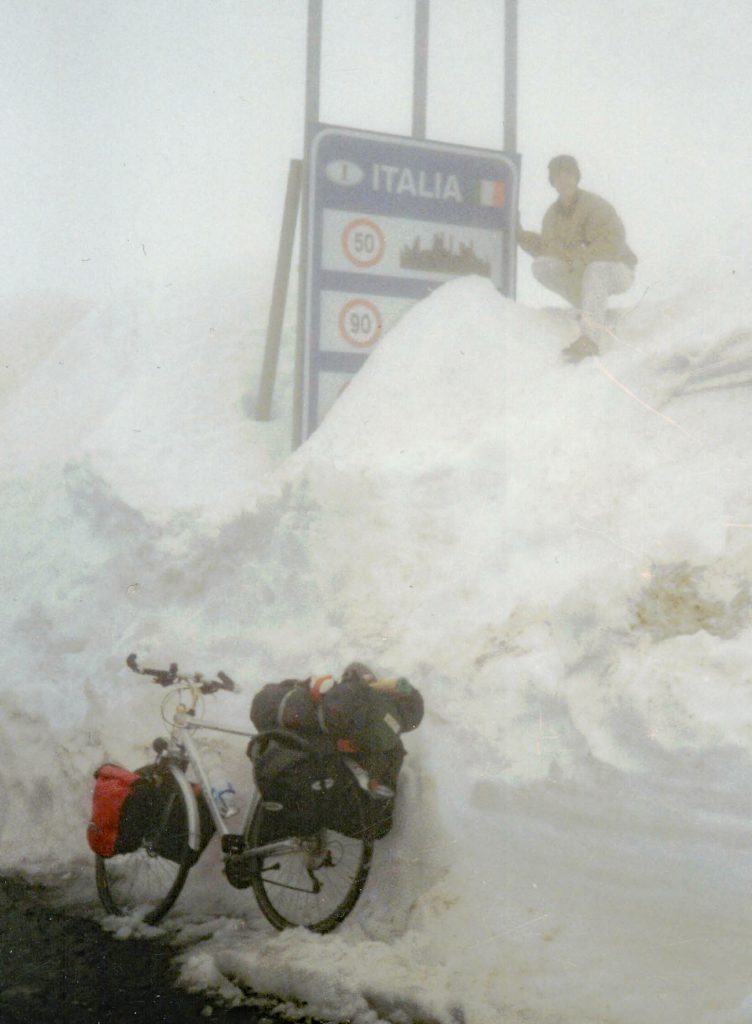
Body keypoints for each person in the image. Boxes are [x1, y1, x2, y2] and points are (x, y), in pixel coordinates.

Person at [517, 155, 637, 361]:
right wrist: (519, 236)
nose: (564, 180)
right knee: (542, 266)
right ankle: (591, 308)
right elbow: (549, 249)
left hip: (617, 268)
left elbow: (613, 241)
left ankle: (590, 340)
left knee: (596, 268)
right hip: (585, 272)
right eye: (558, 176)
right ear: (553, 182)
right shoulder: (552, 216)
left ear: (576, 178)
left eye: (569, 175)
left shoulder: (595, 205)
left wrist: (582, 258)